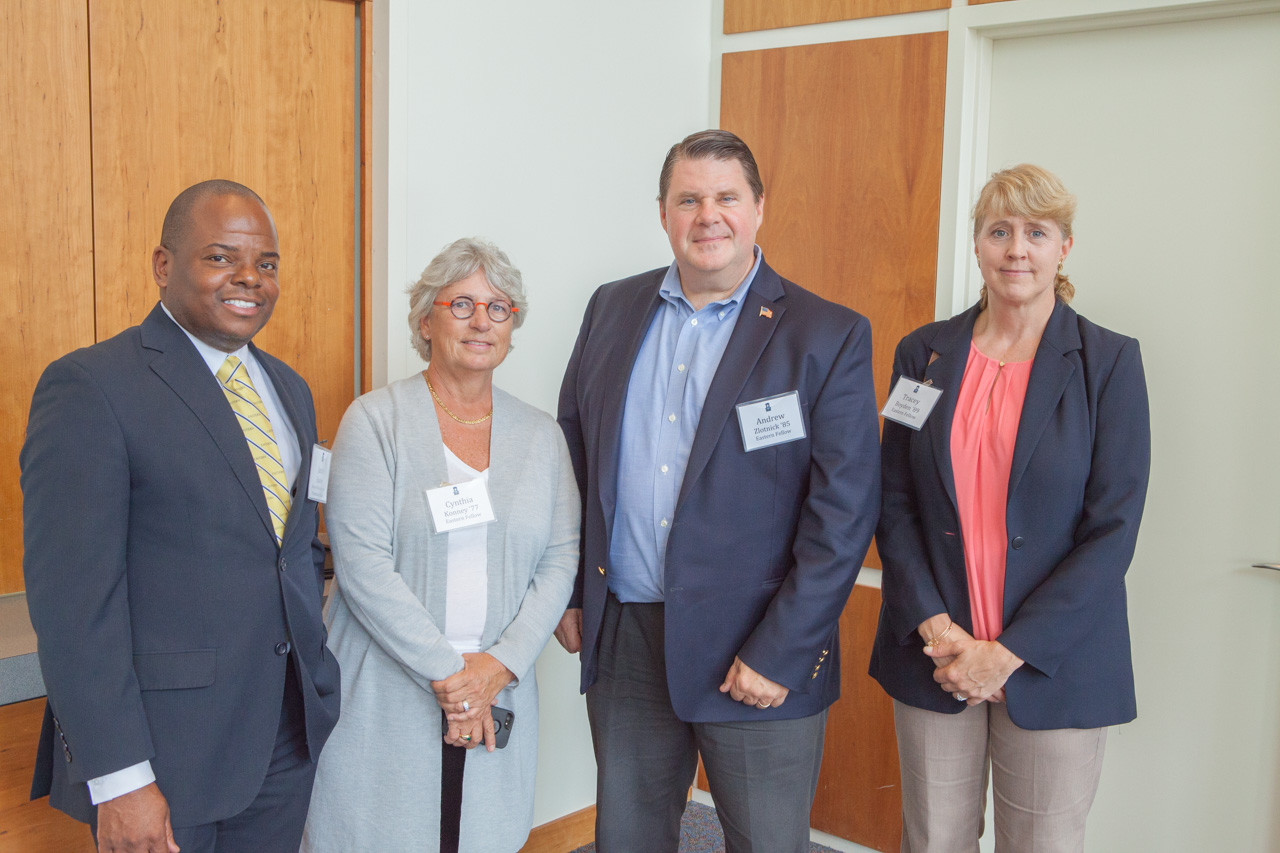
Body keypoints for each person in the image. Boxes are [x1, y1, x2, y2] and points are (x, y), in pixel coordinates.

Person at [555, 129, 881, 853]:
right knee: (628, 837)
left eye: (727, 197)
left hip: (755, 644)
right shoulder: (611, 308)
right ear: (664, 213)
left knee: (765, 841)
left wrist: (782, 650)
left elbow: (844, 512)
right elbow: (575, 455)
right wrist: (576, 591)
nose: (709, 215)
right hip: (630, 636)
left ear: (759, 208)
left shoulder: (825, 334)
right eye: (689, 199)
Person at [21, 180, 341, 852]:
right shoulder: (92, 387)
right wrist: (119, 777)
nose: (249, 279)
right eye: (221, 257)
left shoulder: (289, 387)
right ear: (164, 265)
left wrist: (315, 677)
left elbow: (293, 547)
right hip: (166, 758)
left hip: (285, 736)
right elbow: (75, 605)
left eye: (267, 263)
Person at [869, 164, 1151, 852]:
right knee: (933, 840)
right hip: (938, 656)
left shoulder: (1108, 363)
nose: (1016, 248)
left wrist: (1007, 654)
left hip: (1055, 664)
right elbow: (894, 498)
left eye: (1036, 231)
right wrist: (938, 627)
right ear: (977, 245)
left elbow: (1111, 531)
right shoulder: (924, 354)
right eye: (999, 231)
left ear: (1064, 247)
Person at [302, 238, 579, 853]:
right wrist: (456, 679)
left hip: (498, 680)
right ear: (425, 320)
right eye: (462, 305)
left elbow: (561, 559)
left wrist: (498, 667)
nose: (483, 322)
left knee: (481, 835)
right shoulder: (374, 422)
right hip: (388, 682)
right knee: (377, 833)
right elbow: (361, 565)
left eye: (499, 308)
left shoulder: (540, 436)